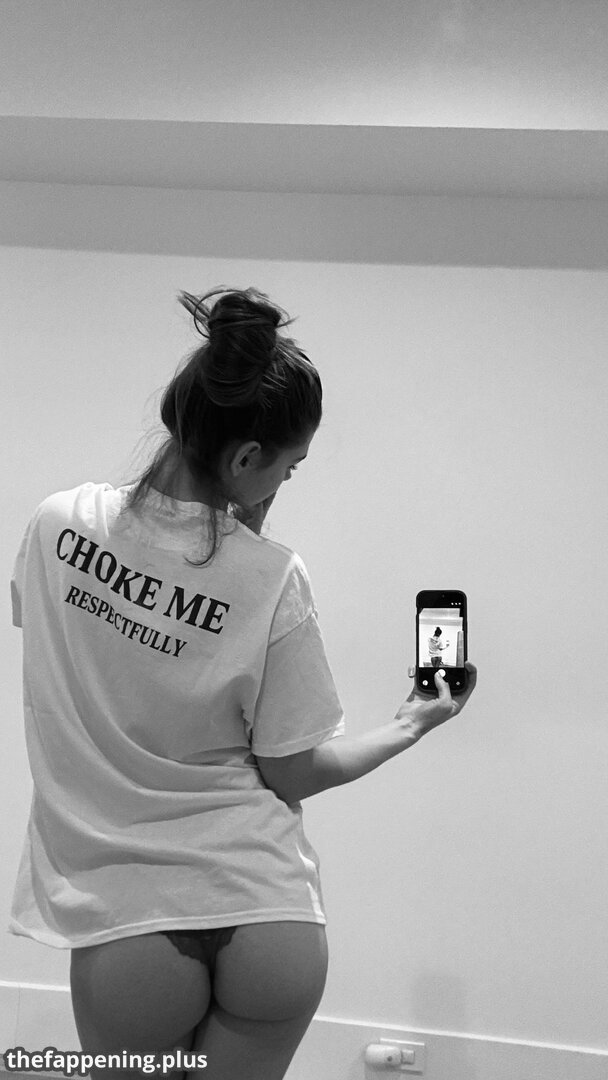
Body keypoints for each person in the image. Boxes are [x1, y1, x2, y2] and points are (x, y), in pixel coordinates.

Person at [9, 286, 477, 1080]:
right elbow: (292, 772)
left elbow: (77, 653)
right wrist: (412, 722)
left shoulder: (56, 525)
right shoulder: (270, 577)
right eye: (289, 468)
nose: (284, 484)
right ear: (245, 458)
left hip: (128, 920)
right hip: (269, 914)